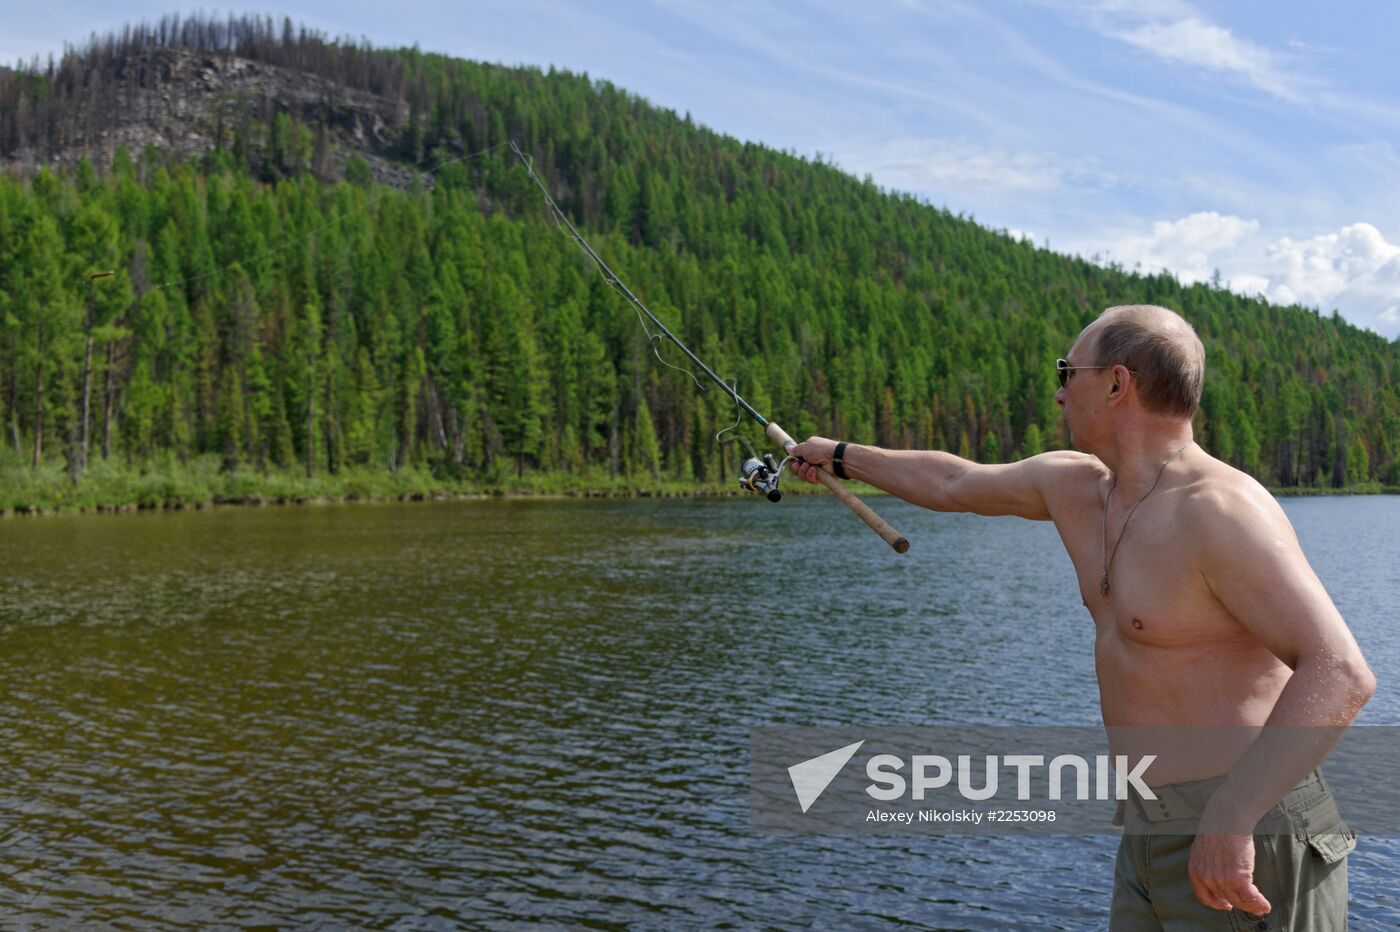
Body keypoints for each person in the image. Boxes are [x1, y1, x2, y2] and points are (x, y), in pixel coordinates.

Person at [791, 304, 1375, 930]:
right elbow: (952, 481)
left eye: (1068, 372)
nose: (1057, 392)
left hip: (1248, 822)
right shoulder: (1074, 487)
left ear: (1118, 384)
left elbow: (1340, 671)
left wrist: (1232, 817)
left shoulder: (1218, 511)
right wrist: (841, 455)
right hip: (1147, 828)